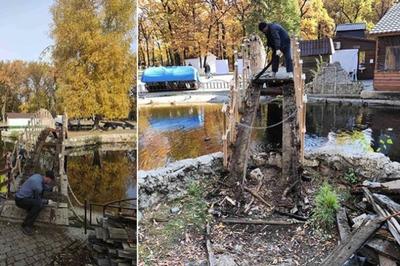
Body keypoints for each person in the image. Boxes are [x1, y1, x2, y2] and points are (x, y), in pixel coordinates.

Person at [15, 171, 56, 235]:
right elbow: (38, 200)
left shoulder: (39, 176)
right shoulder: (37, 185)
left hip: (23, 198)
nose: (50, 182)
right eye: (51, 181)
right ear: (48, 178)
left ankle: (30, 216)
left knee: (38, 204)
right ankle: (26, 226)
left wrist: (51, 189)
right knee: (38, 205)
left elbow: (43, 187)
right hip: (20, 200)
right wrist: (47, 201)